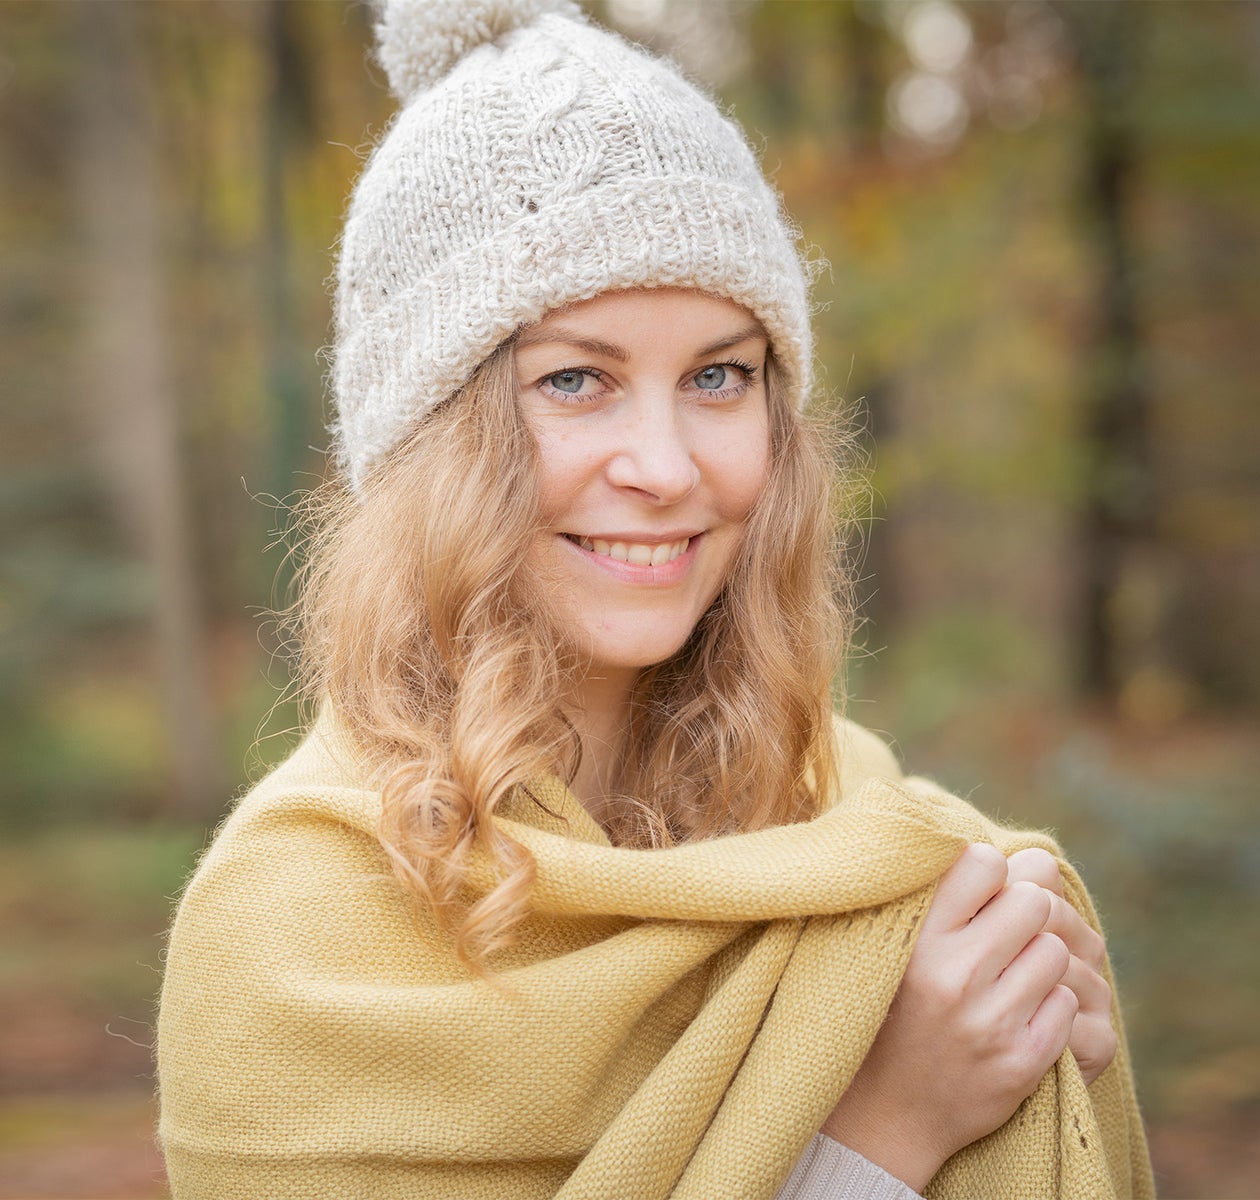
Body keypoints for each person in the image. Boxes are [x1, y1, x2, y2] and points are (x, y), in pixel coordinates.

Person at [154, 2, 1154, 1197]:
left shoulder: (879, 851)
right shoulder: (295, 929)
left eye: (719, 376)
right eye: (576, 380)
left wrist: (1040, 1061)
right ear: (432, 439)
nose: (669, 466)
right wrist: (882, 1135)